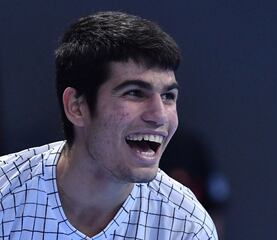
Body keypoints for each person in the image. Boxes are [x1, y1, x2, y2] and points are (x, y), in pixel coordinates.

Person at [0, 11, 218, 239]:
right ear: (77, 106)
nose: (159, 116)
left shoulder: (186, 225)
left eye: (168, 96)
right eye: (134, 93)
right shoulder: (5, 194)